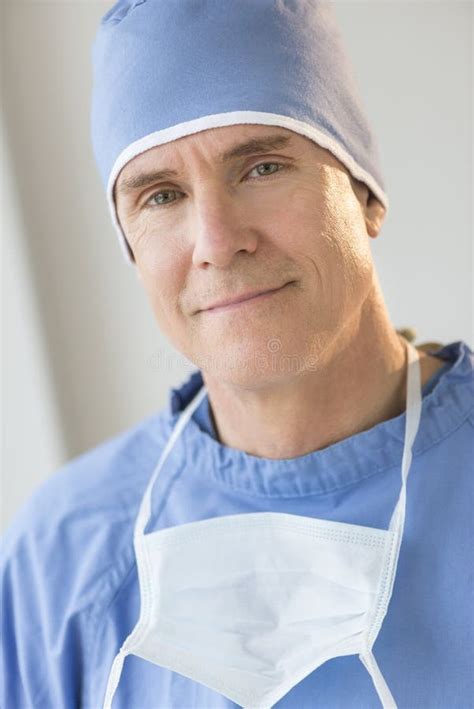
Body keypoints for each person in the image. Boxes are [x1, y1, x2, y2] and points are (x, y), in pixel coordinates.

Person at [2, 1, 473, 708]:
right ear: (130, 248)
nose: (218, 242)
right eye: (161, 195)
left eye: (262, 166)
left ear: (365, 193)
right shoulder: (62, 556)